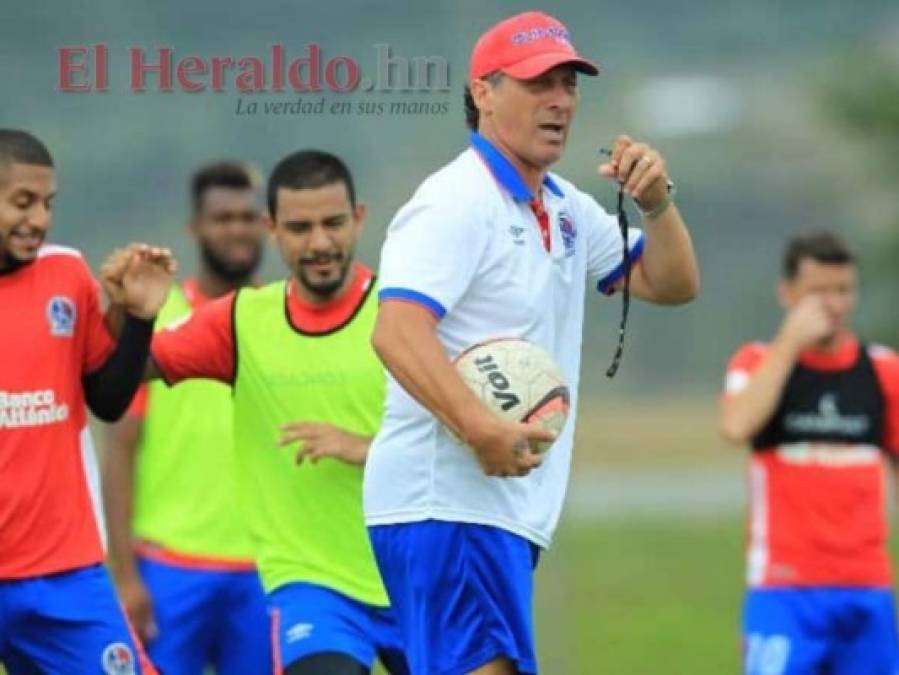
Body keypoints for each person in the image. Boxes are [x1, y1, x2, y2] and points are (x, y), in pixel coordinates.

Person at [363, 10, 700, 675]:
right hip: (447, 504)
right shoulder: (455, 201)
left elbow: (671, 282)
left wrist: (658, 203)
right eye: (536, 83)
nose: (559, 101)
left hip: (496, 512)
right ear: (483, 93)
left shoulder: (566, 208)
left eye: (568, 84)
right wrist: (478, 426)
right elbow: (395, 330)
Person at [123, 150, 408, 675]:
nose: (320, 243)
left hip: (415, 577)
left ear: (359, 218)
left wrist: (368, 447)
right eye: (300, 227)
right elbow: (114, 382)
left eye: (333, 223)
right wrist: (134, 317)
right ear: (273, 228)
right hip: (309, 585)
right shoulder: (243, 321)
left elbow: (467, 435)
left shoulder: (404, 311)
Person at [0, 128, 174, 673]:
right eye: (22, 202)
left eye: (48, 203)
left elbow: (107, 399)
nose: (39, 220)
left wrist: (140, 319)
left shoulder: (66, 274)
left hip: (67, 572)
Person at [103, 161, 271, 674]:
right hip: (169, 567)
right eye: (223, 218)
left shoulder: (280, 317)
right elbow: (120, 450)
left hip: (266, 568)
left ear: (267, 224)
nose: (237, 229)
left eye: (248, 216)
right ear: (195, 228)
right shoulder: (160, 318)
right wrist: (125, 575)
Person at [720, 231, 899, 675]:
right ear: (788, 294)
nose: (833, 305)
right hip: (783, 591)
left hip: (866, 587)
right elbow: (736, 424)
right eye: (819, 292)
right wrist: (790, 344)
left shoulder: (882, 370)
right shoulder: (758, 362)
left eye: (843, 291)